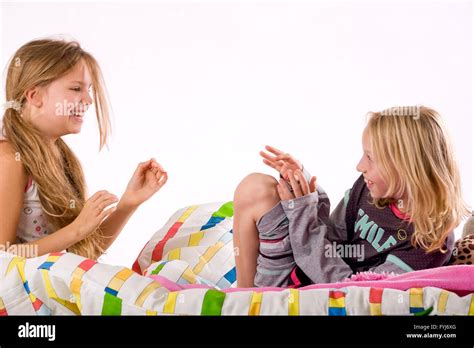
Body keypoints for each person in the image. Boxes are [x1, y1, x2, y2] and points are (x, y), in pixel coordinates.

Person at [233, 106, 469, 287]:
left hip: (319, 291)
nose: (359, 166)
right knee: (256, 187)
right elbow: (327, 234)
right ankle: (243, 299)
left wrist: (301, 210)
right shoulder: (370, 190)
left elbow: (352, 291)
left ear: (408, 167)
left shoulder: (429, 244)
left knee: (256, 190)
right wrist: (303, 186)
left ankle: (256, 302)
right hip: (301, 264)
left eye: (370, 157)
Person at [0, 38, 167, 260]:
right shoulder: (10, 159)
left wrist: (127, 204)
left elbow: (83, 253)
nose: (88, 100)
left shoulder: (63, 159)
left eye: (89, 90)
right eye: (76, 88)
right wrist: (76, 229)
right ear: (35, 96)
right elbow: (3, 258)